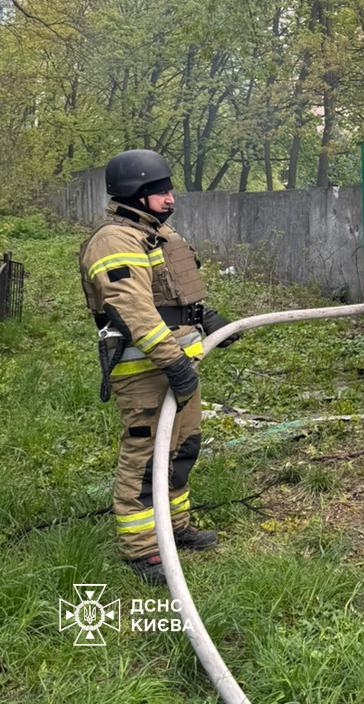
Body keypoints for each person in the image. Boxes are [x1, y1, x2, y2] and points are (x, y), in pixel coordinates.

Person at [78, 149, 239, 585]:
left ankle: (174, 527)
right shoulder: (114, 241)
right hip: (145, 369)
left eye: (168, 189)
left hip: (178, 362)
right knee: (146, 454)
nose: (170, 198)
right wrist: (173, 363)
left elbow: (169, 295)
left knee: (183, 447)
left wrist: (205, 318)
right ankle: (142, 548)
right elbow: (133, 311)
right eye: (159, 191)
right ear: (135, 193)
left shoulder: (155, 233)